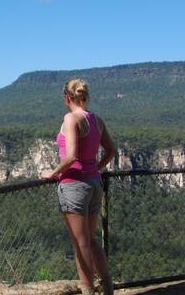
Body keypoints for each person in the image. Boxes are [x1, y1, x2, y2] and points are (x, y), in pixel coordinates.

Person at [40, 78, 117, 295]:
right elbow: (111, 151)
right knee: (92, 240)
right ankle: (108, 287)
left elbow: (71, 156)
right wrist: (95, 168)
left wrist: (53, 172)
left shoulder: (71, 118)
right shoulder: (96, 119)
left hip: (74, 185)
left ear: (67, 97)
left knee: (80, 242)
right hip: (93, 183)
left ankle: (88, 290)